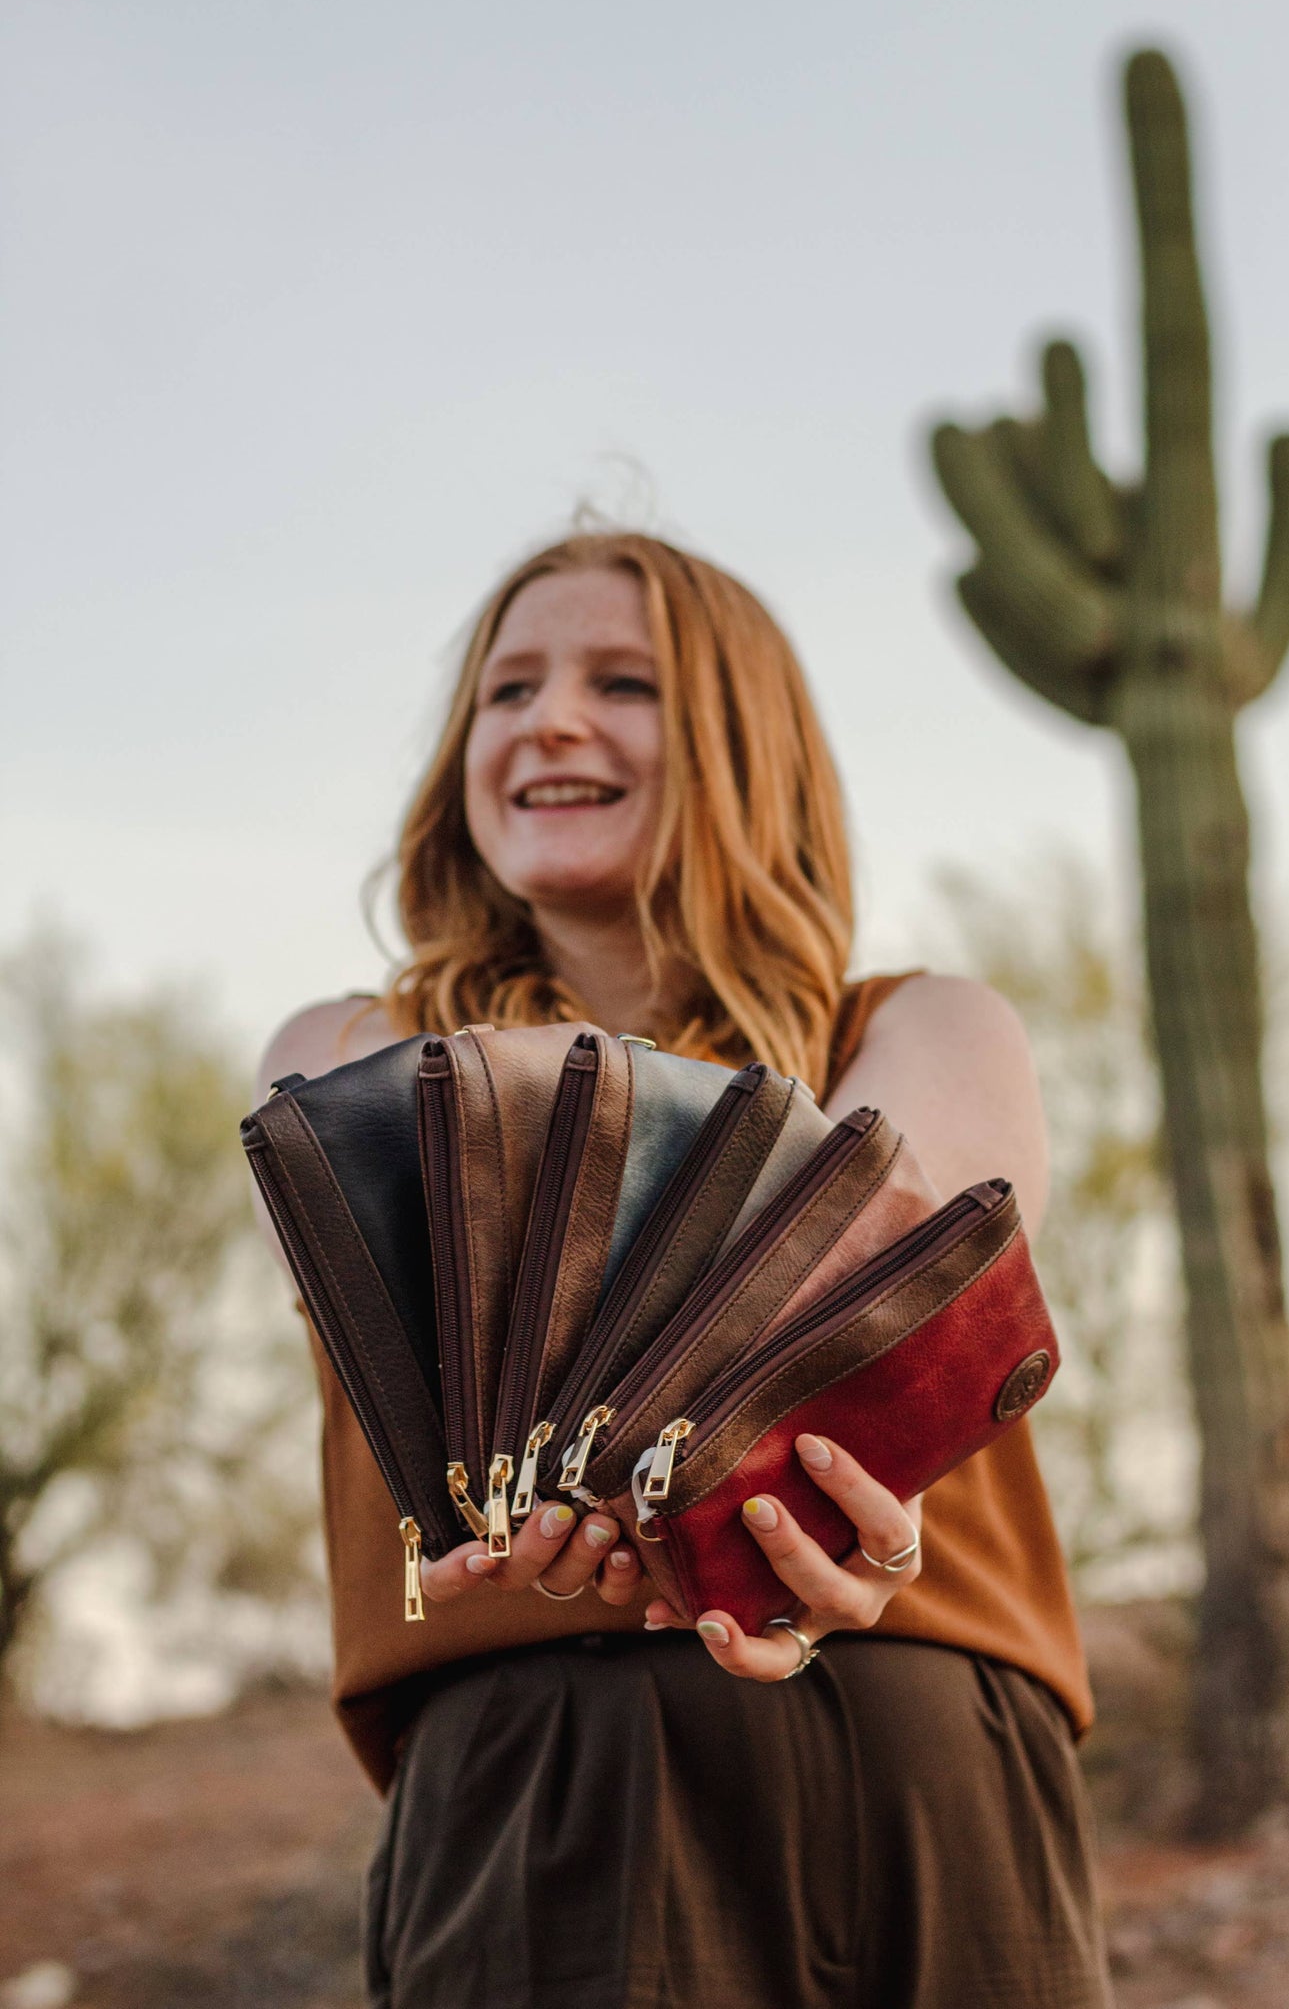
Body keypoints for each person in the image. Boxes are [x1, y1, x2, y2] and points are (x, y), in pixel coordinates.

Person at [257, 531, 1112, 2009]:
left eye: (625, 684)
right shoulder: (335, 1056)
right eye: (507, 688)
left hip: (932, 1759)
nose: (550, 720)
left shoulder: (928, 1026)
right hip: (546, 1785)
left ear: (744, 748)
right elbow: (778, 1314)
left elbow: (887, 1296)